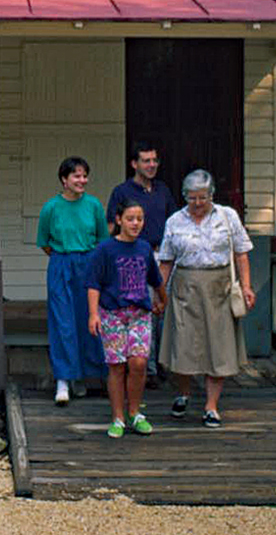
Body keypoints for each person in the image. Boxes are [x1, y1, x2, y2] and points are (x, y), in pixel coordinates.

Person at [156, 168, 256, 427]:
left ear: (212, 195)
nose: (198, 204)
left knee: (218, 347)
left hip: (219, 287)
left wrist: (246, 286)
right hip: (185, 288)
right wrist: (159, 292)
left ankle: (211, 406)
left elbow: (242, 253)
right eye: (192, 198)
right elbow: (166, 261)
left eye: (203, 197)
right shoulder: (174, 222)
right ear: (184, 197)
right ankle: (184, 393)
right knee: (183, 344)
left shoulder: (227, 216)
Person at [87, 201, 166, 437]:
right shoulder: (105, 249)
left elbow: (155, 278)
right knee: (117, 365)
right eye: (130, 218)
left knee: (139, 362)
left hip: (139, 313)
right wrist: (93, 314)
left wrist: (163, 299)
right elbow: (93, 283)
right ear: (119, 219)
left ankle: (135, 412)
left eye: (139, 219)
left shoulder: (144, 249)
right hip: (112, 313)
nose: (135, 223)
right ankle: (118, 417)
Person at [105, 140, 178, 387]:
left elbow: (174, 223)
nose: (151, 165)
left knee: (163, 310)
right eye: (146, 161)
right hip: (135, 259)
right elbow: (111, 228)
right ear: (134, 164)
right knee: (144, 310)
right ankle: (147, 370)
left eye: (154, 160)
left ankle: (163, 363)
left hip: (164, 256)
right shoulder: (122, 192)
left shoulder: (163, 190)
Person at [37, 156, 107, 405]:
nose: (82, 180)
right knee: (63, 322)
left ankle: (84, 377)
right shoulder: (51, 208)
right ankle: (63, 381)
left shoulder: (94, 206)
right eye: (76, 176)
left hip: (88, 265)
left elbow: (102, 239)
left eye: (84, 175)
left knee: (88, 319)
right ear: (64, 180)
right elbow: (44, 242)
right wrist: (65, 255)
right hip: (61, 264)